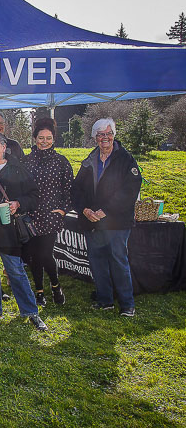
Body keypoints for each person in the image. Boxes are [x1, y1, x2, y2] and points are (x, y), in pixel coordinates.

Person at [0, 132, 48, 331]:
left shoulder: (17, 168)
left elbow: (34, 196)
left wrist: (18, 203)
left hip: (8, 229)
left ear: (4, 147)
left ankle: (31, 312)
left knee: (15, 270)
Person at [71, 118, 141, 316]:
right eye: (100, 134)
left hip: (116, 222)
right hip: (92, 222)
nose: (105, 138)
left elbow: (130, 189)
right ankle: (105, 300)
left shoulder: (125, 159)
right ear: (95, 138)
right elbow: (76, 189)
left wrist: (106, 210)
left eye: (108, 133)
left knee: (118, 261)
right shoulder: (89, 160)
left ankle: (127, 305)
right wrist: (84, 209)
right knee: (97, 261)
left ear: (114, 135)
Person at [20, 118, 73, 306]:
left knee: (45, 254)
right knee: (34, 255)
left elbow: (69, 189)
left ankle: (56, 285)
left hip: (51, 216)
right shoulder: (26, 161)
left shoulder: (61, 161)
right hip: (31, 215)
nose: (44, 141)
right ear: (35, 139)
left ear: (53, 139)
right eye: (41, 137)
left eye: (48, 138)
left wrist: (63, 210)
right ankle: (40, 292)